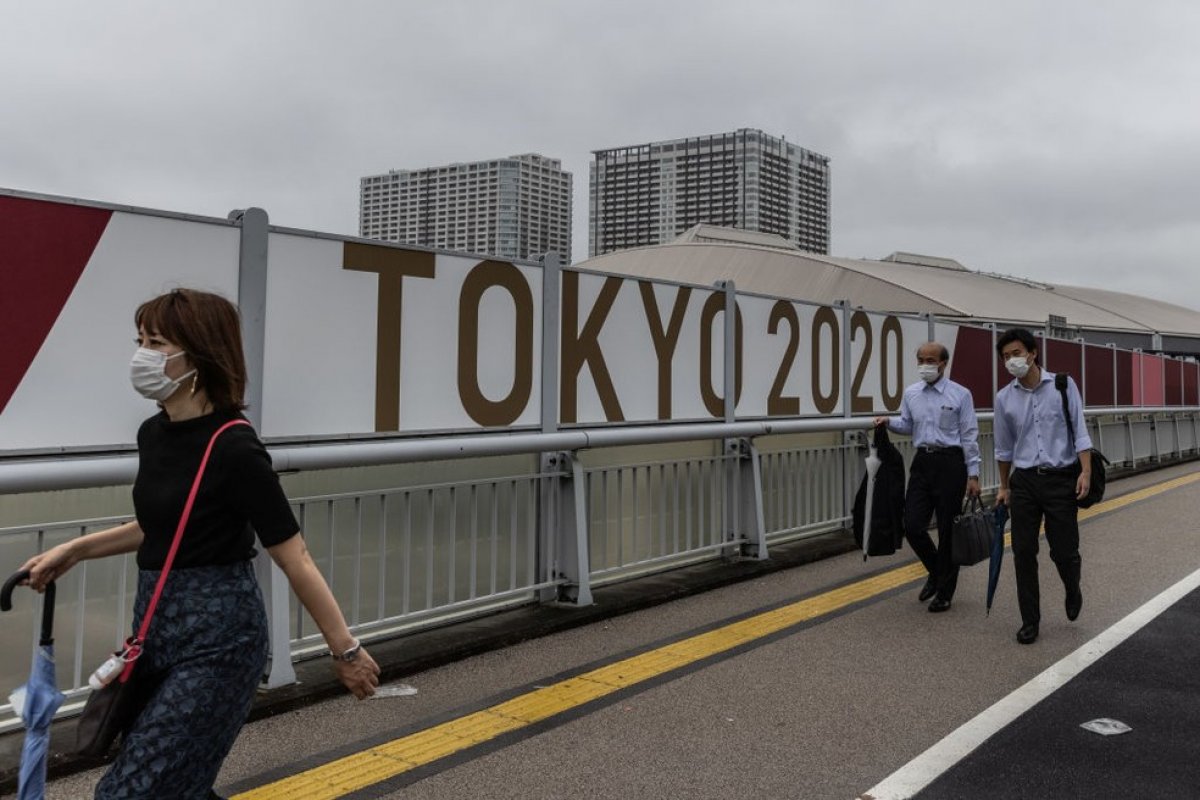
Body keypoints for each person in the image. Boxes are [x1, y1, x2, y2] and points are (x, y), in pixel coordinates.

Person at [20, 288, 381, 799]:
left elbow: (292, 554)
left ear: (200, 353)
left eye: (157, 341)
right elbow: (160, 526)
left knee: (132, 790)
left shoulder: (235, 446)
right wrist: (73, 551)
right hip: (157, 630)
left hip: (220, 641)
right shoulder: (154, 433)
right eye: (140, 339)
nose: (142, 354)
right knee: (178, 783)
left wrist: (345, 651)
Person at [993, 328, 1091, 645]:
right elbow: (1003, 448)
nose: (1012, 360)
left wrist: (1085, 472)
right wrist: (1004, 487)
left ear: (1033, 353)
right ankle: (1030, 621)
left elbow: (1080, 431)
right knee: (1023, 551)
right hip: (1024, 482)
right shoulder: (1004, 398)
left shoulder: (1063, 385)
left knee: (1064, 551)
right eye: (1006, 356)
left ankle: (1072, 585)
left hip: (1061, 478)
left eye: (1017, 353)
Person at [875, 342, 981, 612]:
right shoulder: (912, 393)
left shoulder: (961, 395)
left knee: (947, 530)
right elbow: (908, 424)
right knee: (912, 524)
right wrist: (888, 422)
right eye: (921, 359)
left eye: (931, 360)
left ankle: (945, 592)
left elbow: (969, 435)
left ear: (943, 363)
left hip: (951, 463)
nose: (925, 365)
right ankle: (936, 572)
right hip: (923, 462)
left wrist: (974, 474)